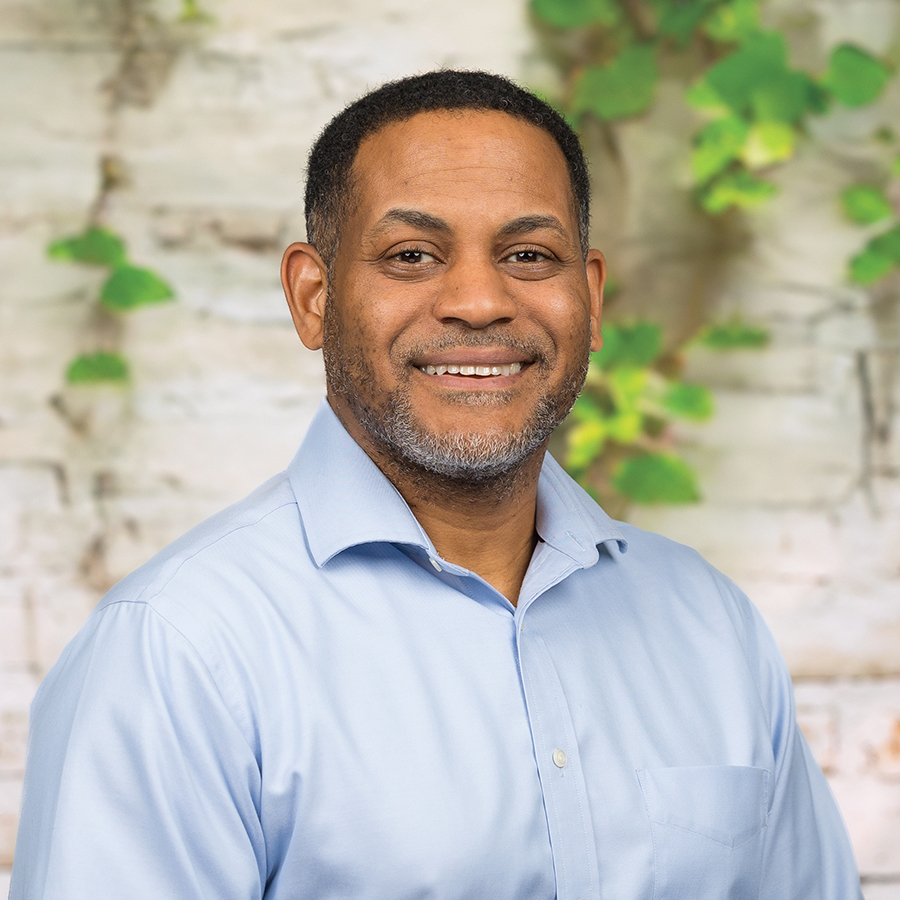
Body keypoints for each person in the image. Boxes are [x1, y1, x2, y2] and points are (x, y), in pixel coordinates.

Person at [11, 70, 861, 900]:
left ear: (590, 297)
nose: (480, 301)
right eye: (412, 255)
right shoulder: (180, 650)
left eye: (529, 254)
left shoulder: (709, 625)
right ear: (313, 297)